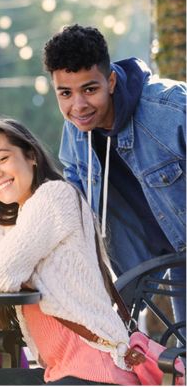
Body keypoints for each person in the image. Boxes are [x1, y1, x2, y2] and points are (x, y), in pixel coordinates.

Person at [0, 117, 140, 385]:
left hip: (97, 370)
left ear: (31, 156)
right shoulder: (9, 226)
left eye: (2, 159)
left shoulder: (55, 196)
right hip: (58, 372)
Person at [43, 24, 185, 323]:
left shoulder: (171, 109)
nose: (78, 106)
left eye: (89, 89)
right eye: (65, 93)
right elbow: (73, 206)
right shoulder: (74, 133)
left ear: (110, 81)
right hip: (167, 268)